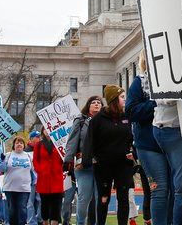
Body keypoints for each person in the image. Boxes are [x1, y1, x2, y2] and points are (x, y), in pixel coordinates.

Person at [125, 52, 171, 225]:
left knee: (179, 189)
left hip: (175, 141)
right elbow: (131, 112)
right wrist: (157, 102)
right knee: (159, 189)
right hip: (149, 145)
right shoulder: (139, 82)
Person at [82, 85, 133, 225]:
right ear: (114, 99)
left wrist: (133, 152)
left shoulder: (127, 116)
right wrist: (88, 160)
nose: (125, 100)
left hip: (123, 164)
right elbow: (89, 141)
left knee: (123, 197)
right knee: (104, 198)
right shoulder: (98, 119)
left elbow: (132, 138)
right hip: (103, 165)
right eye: (122, 97)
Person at [64, 95, 103, 225]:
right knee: (84, 198)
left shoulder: (107, 121)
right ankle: (80, 222)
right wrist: (68, 161)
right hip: (83, 165)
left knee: (100, 198)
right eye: (93, 102)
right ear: (88, 105)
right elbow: (72, 141)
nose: (96, 104)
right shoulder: (80, 120)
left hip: (102, 165)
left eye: (99, 103)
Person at [32, 128, 64, 225]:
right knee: (44, 203)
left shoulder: (59, 143)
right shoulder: (38, 144)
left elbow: (64, 157)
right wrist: (40, 170)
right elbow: (35, 160)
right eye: (45, 129)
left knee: (56, 203)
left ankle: (54, 222)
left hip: (56, 176)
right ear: (42, 131)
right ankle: (45, 221)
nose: (47, 131)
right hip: (44, 178)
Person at [0, 136, 33, 225]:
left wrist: (34, 183)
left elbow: (33, 171)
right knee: (12, 210)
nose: (19, 144)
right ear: (14, 145)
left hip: (24, 188)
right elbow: (2, 169)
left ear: (24, 145)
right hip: (10, 188)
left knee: (22, 209)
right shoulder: (8, 155)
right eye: (17, 143)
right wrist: (2, 161)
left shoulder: (28, 156)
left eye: (21, 143)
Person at [25, 131, 42, 225]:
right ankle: (31, 221)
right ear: (31, 139)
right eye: (37, 137)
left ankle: (39, 219)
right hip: (29, 180)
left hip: (40, 179)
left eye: (40, 136)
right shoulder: (26, 151)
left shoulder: (41, 149)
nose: (39, 138)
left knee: (41, 200)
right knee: (29, 202)